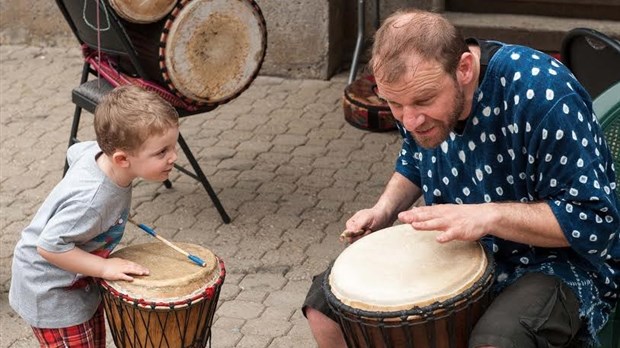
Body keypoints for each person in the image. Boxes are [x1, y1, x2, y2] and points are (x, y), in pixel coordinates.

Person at [303, 8, 619, 348]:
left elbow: (597, 222)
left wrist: (489, 215)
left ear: (464, 68)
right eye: (394, 104)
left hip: (558, 264)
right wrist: (384, 210)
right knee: (325, 307)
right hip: (463, 250)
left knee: (496, 340)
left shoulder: (543, 92)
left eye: (423, 101)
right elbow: (413, 160)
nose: (409, 120)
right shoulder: (413, 99)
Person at [9, 85, 180, 347]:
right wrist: (104, 267)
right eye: (161, 152)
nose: (173, 157)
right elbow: (49, 246)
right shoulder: (93, 202)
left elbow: (76, 152)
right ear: (122, 159)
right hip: (51, 293)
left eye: (173, 146)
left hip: (77, 284)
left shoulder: (98, 154)